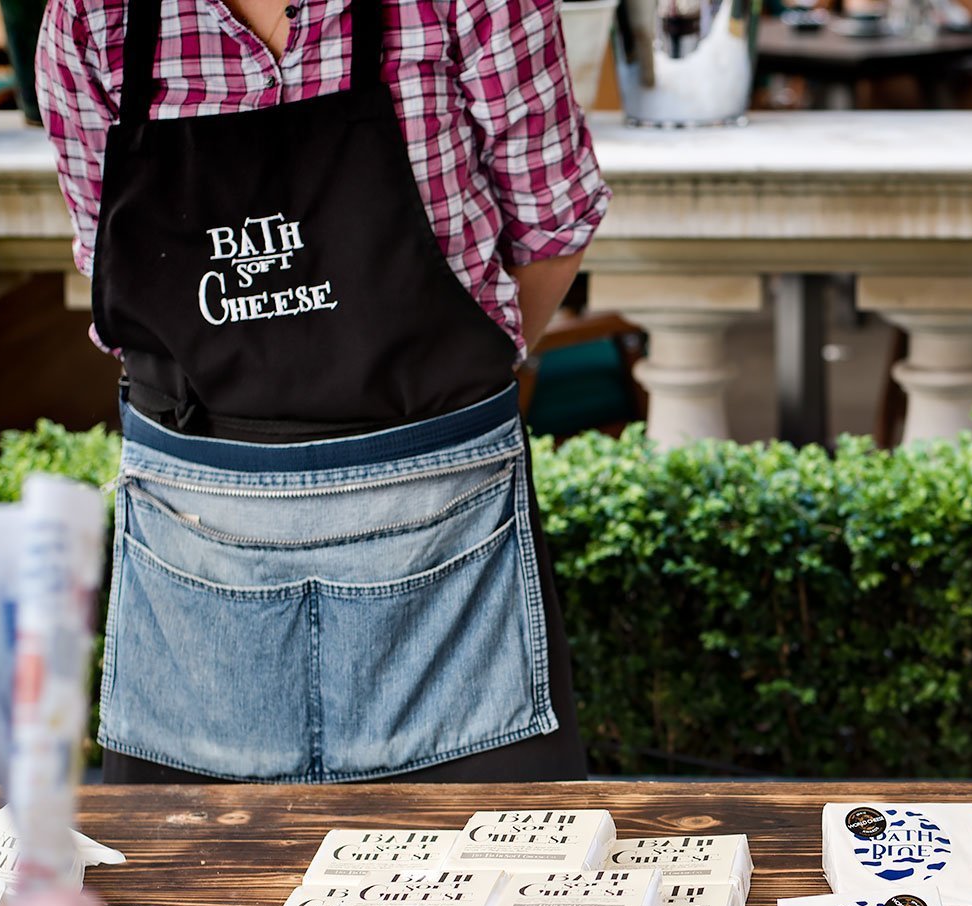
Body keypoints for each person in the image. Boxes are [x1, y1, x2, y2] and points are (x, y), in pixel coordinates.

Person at [36, 0, 610, 784]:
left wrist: (458, 376)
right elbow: (115, 275)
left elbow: (552, 226)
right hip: (196, 578)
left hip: (449, 570)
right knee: (189, 897)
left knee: (500, 887)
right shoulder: (91, 15)